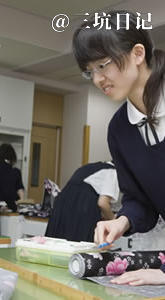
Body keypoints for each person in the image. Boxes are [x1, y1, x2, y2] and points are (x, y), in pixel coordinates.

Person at [72, 10, 165, 285]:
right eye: (90, 72)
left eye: (103, 65)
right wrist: (121, 221)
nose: (98, 78)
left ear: (138, 54)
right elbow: (141, 200)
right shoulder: (120, 129)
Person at [45, 161, 119, 242]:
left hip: (62, 205)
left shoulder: (90, 166)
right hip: (82, 209)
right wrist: (115, 221)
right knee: (78, 247)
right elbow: (103, 203)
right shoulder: (112, 172)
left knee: (56, 243)